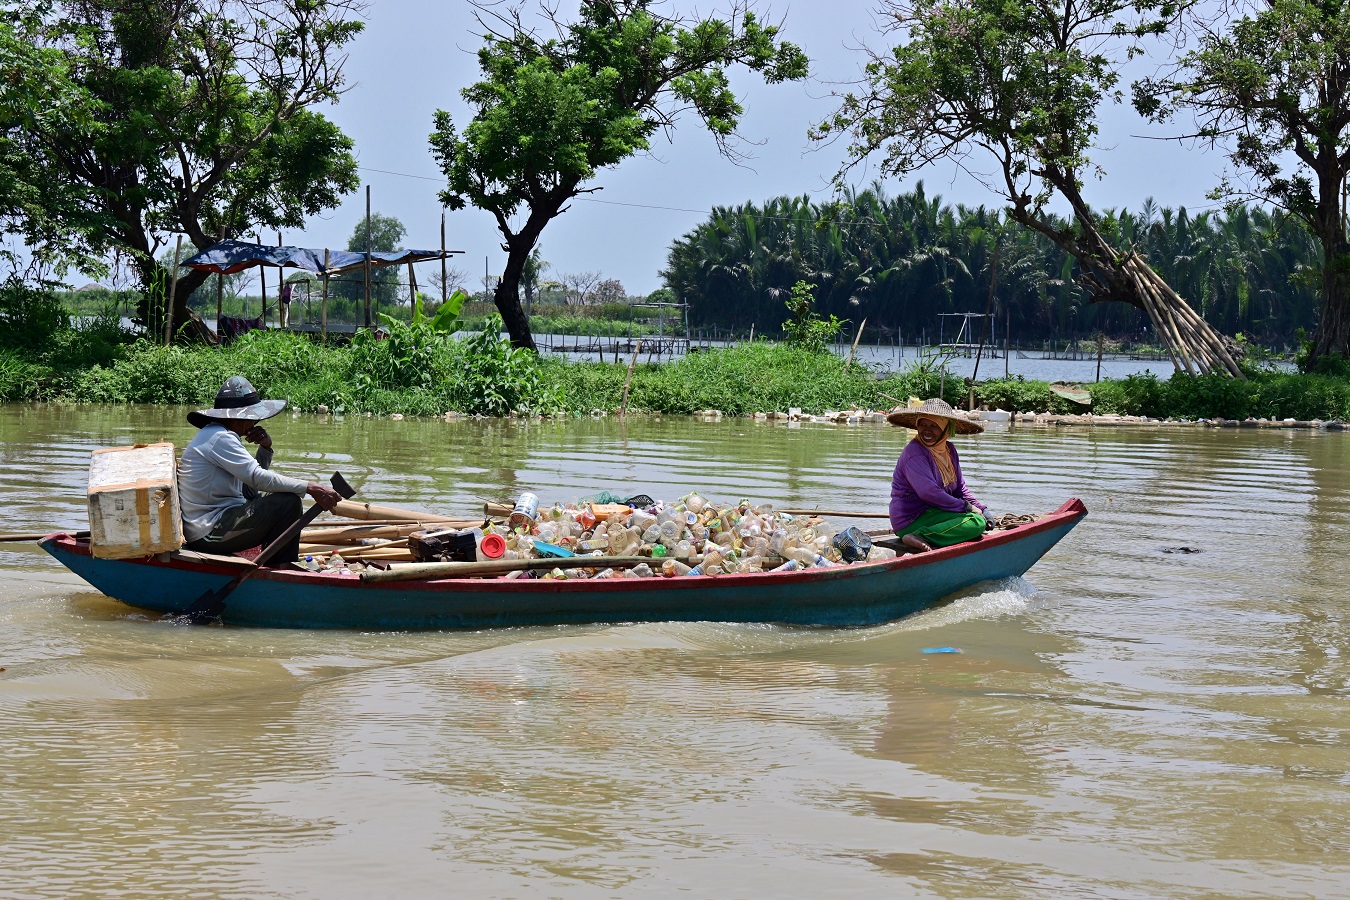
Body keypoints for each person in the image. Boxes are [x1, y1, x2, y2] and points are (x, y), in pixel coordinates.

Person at [178, 376, 340, 563]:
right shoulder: (219, 438)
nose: (254, 423)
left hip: (218, 522)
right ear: (239, 416)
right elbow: (257, 478)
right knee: (288, 503)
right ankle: (280, 567)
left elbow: (249, 490)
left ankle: (277, 561)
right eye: (251, 417)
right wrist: (310, 487)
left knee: (280, 499)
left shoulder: (223, 435)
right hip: (208, 533)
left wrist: (265, 449)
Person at [887, 398, 989, 552]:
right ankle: (918, 536)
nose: (926, 430)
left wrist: (981, 508)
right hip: (911, 519)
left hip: (935, 512)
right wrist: (966, 507)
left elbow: (959, 489)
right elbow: (929, 493)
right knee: (977, 523)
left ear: (945, 430)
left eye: (934, 426)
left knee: (979, 519)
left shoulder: (949, 450)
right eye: (922, 424)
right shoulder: (914, 453)